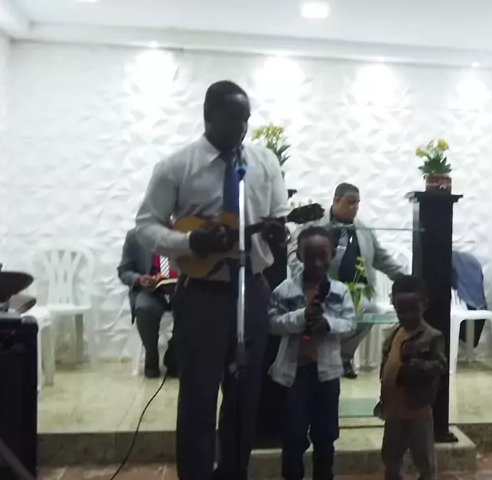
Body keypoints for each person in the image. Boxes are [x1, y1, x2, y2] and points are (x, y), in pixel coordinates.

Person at [134, 80, 289, 480]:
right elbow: (146, 226)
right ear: (208, 115)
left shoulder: (265, 162)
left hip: (252, 291)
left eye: (246, 119)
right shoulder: (177, 166)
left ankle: (234, 472)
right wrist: (191, 241)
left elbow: (279, 215)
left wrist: (278, 233)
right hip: (201, 295)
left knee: (245, 398)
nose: (242, 127)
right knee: (199, 398)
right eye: (233, 118)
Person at [288, 182, 406, 379]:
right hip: (320, 290)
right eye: (350, 203)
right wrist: (308, 276)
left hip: (356, 293)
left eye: (357, 203)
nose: (354, 208)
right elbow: (293, 253)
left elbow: (382, 258)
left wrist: (404, 278)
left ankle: (342, 357)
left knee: (371, 311)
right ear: (336, 200)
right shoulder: (314, 224)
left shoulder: (364, 229)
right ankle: (319, 358)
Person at [269, 226, 355, 480]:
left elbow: (350, 323)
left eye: (323, 256)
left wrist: (327, 324)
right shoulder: (284, 290)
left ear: (332, 256)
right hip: (294, 376)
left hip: (327, 376)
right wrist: (301, 317)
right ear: (299, 256)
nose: (317, 262)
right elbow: (272, 324)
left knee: (326, 436)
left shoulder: (340, 291)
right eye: (310, 256)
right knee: (293, 437)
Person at [377, 275, 446, 480]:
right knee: (390, 454)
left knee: (423, 456)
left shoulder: (432, 336)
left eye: (413, 309)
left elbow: (440, 365)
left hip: (418, 409)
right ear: (393, 305)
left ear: (424, 305)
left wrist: (418, 367)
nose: (407, 315)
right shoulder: (394, 333)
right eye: (401, 309)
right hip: (393, 408)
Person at [117, 227, 179, 378]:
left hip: (180, 290)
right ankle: (151, 356)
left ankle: (174, 356)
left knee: (196, 308)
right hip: (150, 291)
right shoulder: (135, 236)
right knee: (144, 308)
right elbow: (124, 270)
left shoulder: (184, 232)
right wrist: (139, 279)